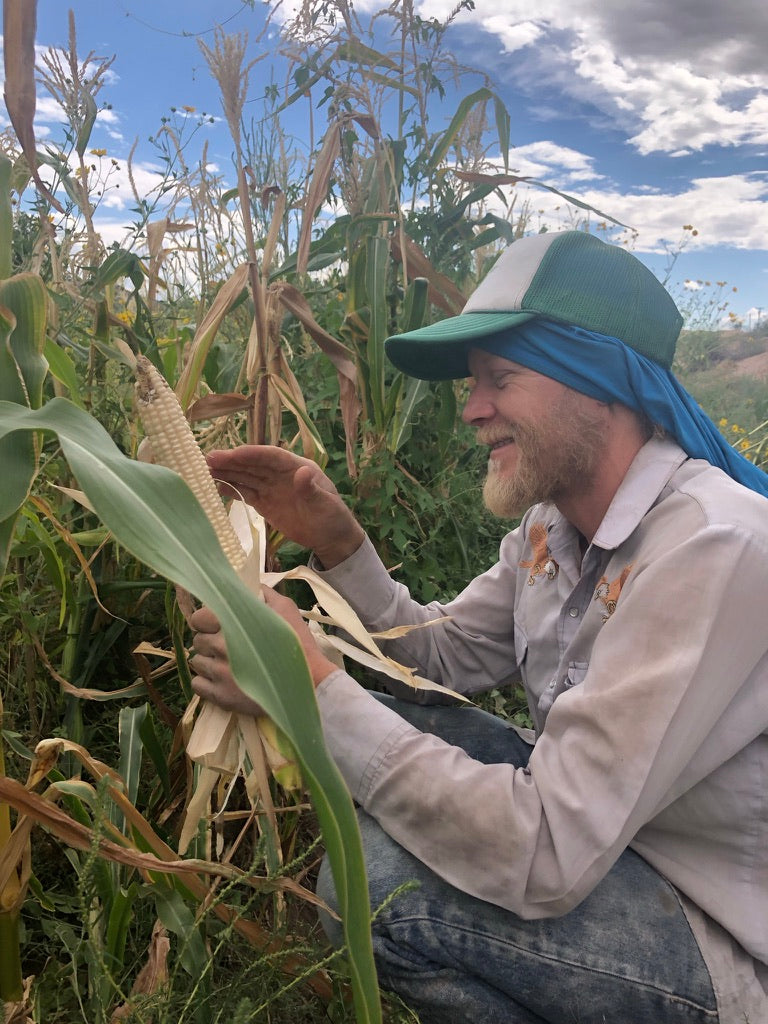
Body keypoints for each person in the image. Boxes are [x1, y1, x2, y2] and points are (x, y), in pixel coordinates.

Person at [189, 230, 768, 1024]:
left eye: (501, 377)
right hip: (619, 848)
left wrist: (306, 688)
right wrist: (336, 539)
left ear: (598, 381)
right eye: (472, 382)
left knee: (379, 888)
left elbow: (549, 850)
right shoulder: (552, 527)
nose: (471, 409)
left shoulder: (713, 546)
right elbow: (441, 656)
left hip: (720, 933)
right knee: (395, 722)